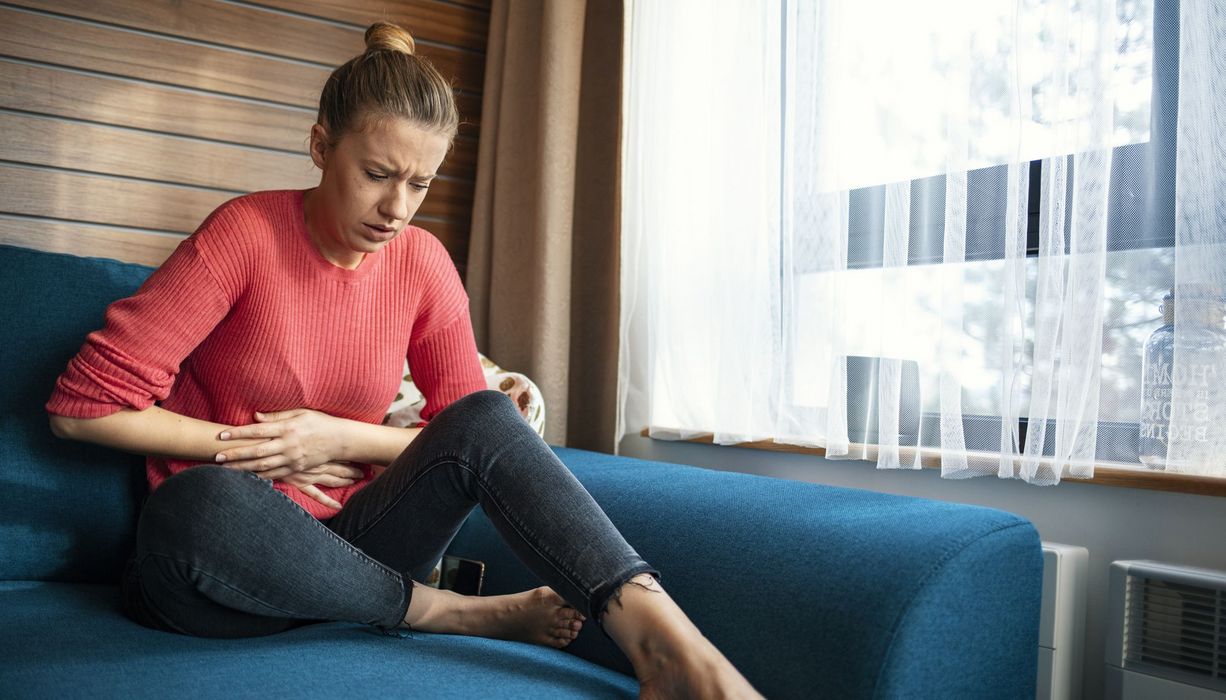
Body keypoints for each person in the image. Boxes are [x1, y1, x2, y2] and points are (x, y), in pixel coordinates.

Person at [46, 21, 760, 699]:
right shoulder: (245, 234)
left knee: (487, 411)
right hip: (220, 577)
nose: (397, 208)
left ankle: (672, 648)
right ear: (321, 145)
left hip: (362, 547)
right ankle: (446, 612)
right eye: (378, 173)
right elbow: (81, 411)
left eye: (419, 184)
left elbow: (476, 440)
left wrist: (339, 438)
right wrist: (263, 450)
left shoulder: (421, 263)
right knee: (191, 505)